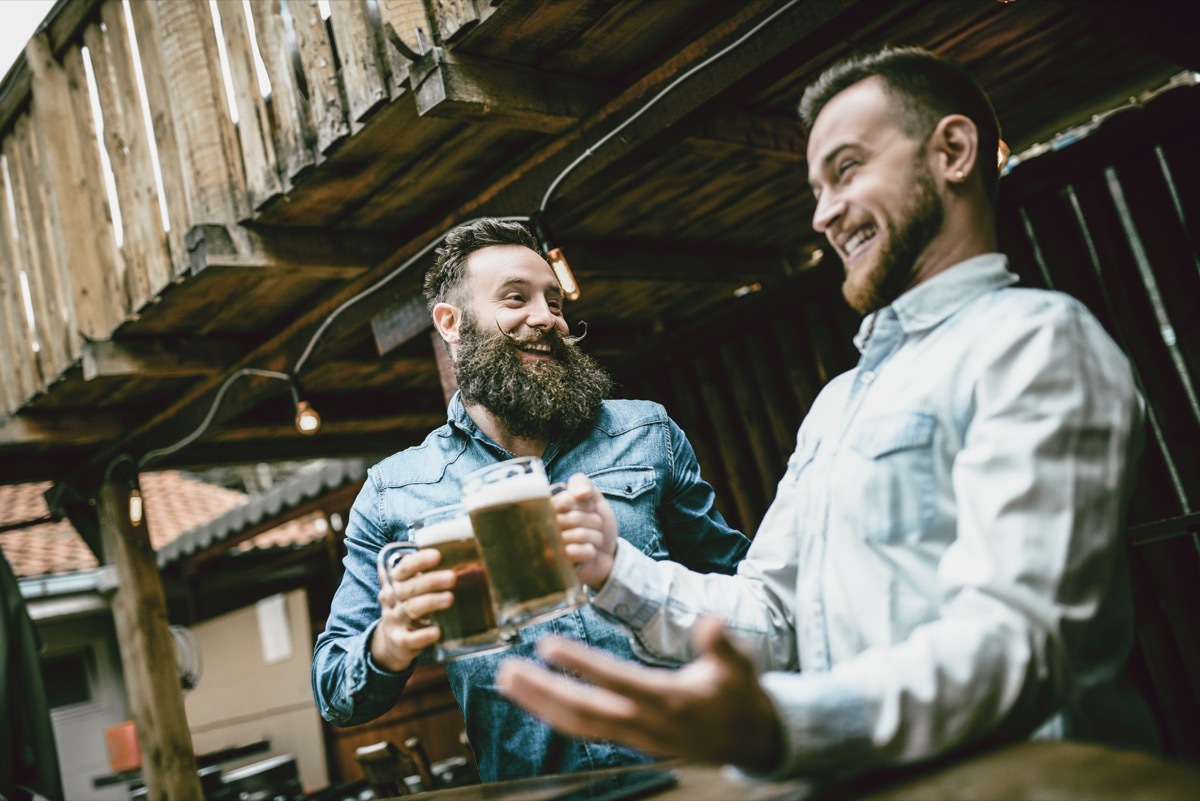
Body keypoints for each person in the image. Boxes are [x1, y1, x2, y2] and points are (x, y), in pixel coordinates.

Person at [496, 46, 1161, 778]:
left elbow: (1021, 641)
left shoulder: (1035, 341)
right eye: (816, 188)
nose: (824, 214)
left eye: (846, 169)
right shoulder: (838, 401)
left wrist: (782, 725)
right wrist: (613, 566)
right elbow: (773, 616)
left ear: (954, 151)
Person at [311, 218, 750, 781]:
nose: (547, 318)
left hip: (691, 774)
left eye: (555, 302)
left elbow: (741, 591)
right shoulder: (395, 490)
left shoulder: (648, 432)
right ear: (451, 323)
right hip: (536, 792)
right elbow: (334, 693)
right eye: (516, 298)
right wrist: (389, 644)